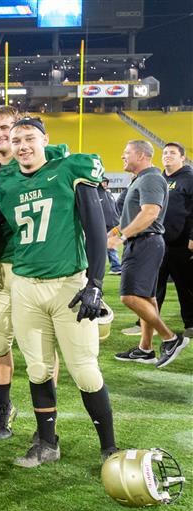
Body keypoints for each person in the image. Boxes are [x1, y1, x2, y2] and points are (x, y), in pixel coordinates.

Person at [0, 117, 118, 467]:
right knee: (37, 369)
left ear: (45, 139)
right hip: (25, 287)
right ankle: (47, 444)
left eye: (29, 138)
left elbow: (96, 229)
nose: (22, 146)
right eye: (16, 140)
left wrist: (95, 283)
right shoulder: (8, 183)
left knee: (84, 370)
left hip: (68, 284)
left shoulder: (69, 169)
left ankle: (109, 448)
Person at [110, 140, 188, 367]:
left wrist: (122, 236)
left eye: (127, 153)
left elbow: (150, 213)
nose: (123, 156)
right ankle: (146, 348)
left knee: (130, 296)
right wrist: (112, 232)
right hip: (145, 243)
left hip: (145, 243)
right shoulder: (142, 179)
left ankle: (171, 338)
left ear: (142, 155)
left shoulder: (151, 178)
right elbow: (134, 215)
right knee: (147, 298)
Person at [158, 142, 193, 338]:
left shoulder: (190, 178)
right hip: (158, 243)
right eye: (164, 153)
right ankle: (147, 321)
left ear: (182, 157)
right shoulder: (159, 179)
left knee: (186, 285)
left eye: (172, 153)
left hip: (182, 243)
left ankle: (191, 323)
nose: (167, 156)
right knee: (154, 284)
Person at [98, 178, 123, 275]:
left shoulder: (109, 194)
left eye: (106, 182)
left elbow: (116, 208)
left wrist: (118, 219)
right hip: (102, 225)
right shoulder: (96, 194)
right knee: (104, 247)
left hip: (114, 225)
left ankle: (116, 267)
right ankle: (115, 267)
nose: (104, 184)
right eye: (103, 182)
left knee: (113, 245)